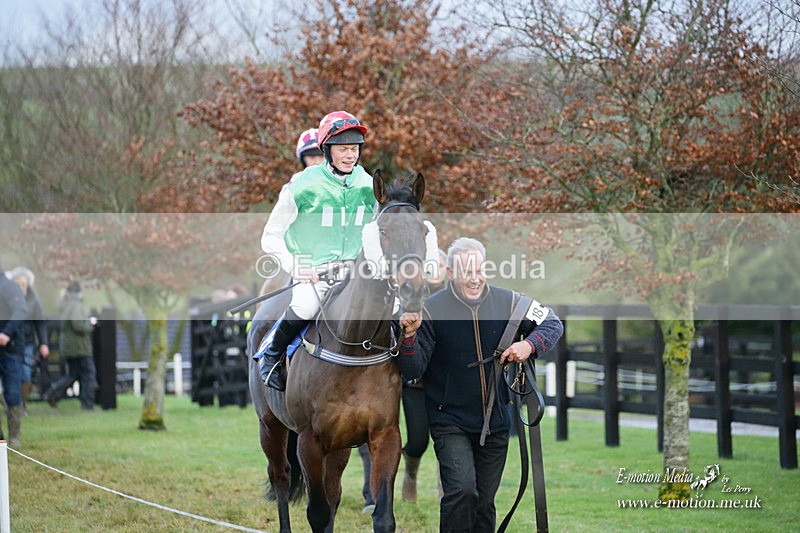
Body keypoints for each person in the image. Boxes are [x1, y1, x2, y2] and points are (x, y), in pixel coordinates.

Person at [396, 238, 564, 532]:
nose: (474, 278)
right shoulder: (431, 310)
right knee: (462, 491)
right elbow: (412, 369)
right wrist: (409, 338)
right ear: (450, 273)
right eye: (466, 271)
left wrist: (529, 345)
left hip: (496, 420)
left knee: (484, 503)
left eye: (479, 270)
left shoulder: (510, 302)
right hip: (448, 420)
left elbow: (552, 323)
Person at [258, 110, 376, 391]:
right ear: (327, 150)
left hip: (356, 274)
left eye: (355, 149)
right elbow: (270, 236)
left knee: (396, 308)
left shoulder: (369, 184)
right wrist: (296, 266)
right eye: (343, 149)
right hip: (314, 272)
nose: (350, 155)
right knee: (305, 306)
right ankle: (272, 356)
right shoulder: (301, 185)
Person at [399, 248, 447, 503]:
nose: (433, 269)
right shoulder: (410, 297)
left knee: (449, 438)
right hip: (416, 384)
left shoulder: (455, 297)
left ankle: (445, 489)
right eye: (429, 265)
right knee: (418, 441)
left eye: (438, 264)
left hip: (447, 383)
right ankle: (411, 475)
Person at [43, 282, 98, 410]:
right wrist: (90, 325)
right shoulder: (75, 305)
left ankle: (53, 394)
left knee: (73, 374)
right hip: (79, 346)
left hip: (68, 345)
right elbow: (78, 326)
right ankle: (87, 404)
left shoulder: (64, 305)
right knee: (88, 374)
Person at [8, 267, 50, 415]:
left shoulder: (33, 300)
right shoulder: (7, 298)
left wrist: (44, 343)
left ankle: (21, 405)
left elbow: (40, 323)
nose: (21, 287)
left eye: (23, 284)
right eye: (18, 284)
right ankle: (12, 405)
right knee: (12, 374)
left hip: (27, 342)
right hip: (9, 343)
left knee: (25, 374)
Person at [0, 265, 28, 446]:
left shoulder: (9, 287)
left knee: (12, 393)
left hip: (10, 349)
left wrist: (6, 333)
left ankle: (14, 437)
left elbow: (21, 311)